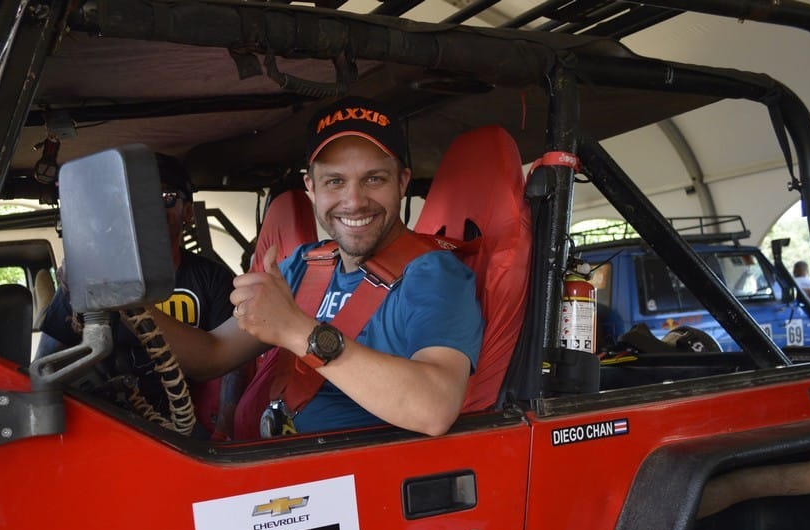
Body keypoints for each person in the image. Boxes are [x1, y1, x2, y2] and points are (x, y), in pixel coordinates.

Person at [148, 96, 483, 438]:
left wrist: (296, 330)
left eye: (374, 179)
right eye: (335, 181)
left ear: (402, 182)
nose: (354, 202)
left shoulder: (433, 276)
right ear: (311, 188)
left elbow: (435, 408)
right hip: (273, 455)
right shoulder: (304, 266)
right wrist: (129, 311)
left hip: (354, 467)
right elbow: (213, 353)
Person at [38, 152, 243, 438]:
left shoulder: (213, 279)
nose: (149, 206)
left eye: (165, 195)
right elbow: (45, 364)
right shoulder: (92, 279)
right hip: (108, 423)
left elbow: (232, 365)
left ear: (187, 211)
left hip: (188, 430)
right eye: (137, 197)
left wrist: (224, 429)